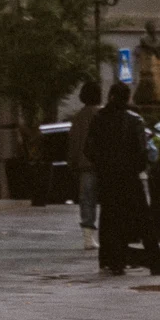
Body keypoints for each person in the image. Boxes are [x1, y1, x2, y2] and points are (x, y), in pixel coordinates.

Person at [85, 82, 160, 275]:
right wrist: (136, 166)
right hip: (129, 176)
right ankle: (156, 263)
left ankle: (112, 261)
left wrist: (102, 165)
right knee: (144, 219)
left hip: (108, 176)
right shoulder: (133, 120)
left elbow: (89, 149)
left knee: (110, 217)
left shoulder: (99, 119)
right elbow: (141, 151)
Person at [67, 78, 103, 252]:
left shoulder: (78, 118)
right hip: (103, 165)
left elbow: (73, 143)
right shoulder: (102, 115)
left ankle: (88, 236)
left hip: (85, 165)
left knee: (86, 201)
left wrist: (73, 162)